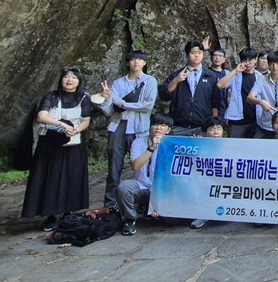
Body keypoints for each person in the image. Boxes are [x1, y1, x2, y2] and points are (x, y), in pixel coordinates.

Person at [22, 67, 92, 231]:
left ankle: (69, 212)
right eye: (66, 77)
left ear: (79, 81)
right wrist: (62, 124)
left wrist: (76, 130)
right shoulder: (51, 96)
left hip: (73, 142)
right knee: (50, 178)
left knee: (72, 176)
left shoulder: (84, 98)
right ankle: (50, 215)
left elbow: (86, 120)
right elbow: (41, 116)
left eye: (74, 77)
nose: (70, 80)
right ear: (61, 80)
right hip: (51, 143)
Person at [98, 50, 158, 210]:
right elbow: (109, 110)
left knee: (142, 165)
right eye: (133, 59)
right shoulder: (118, 83)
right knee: (114, 167)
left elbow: (147, 105)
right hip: (119, 125)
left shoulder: (149, 81)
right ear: (127, 63)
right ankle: (110, 204)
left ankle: (139, 202)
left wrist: (122, 103)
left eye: (140, 59)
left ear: (144, 63)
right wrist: (106, 99)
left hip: (140, 127)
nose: (136, 62)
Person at [117, 113, 174, 236]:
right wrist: (152, 147)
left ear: (168, 130)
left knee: (171, 220)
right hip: (142, 185)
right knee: (124, 188)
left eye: (163, 125)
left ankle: (150, 207)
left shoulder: (173, 145)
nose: (158, 128)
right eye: (155, 124)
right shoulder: (138, 142)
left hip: (163, 190)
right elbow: (135, 166)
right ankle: (130, 219)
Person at [158, 40, 221, 135]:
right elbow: (163, 96)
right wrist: (176, 81)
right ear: (187, 55)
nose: (197, 55)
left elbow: (215, 101)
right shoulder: (176, 75)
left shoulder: (211, 75)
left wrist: (214, 122)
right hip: (178, 125)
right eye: (193, 53)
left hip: (202, 127)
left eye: (199, 53)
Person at [190, 117, 225, 229]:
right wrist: (195, 147)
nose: (216, 132)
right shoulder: (198, 145)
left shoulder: (230, 146)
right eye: (212, 129)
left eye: (218, 129)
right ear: (205, 133)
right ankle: (202, 215)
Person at [219, 49, 261, 138]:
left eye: (250, 60)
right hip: (236, 119)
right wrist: (235, 71)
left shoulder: (259, 77)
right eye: (245, 60)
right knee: (233, 145)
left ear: (255, 60)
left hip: (255, 120)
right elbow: (220, 85)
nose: (247, 63)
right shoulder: (235, 75)